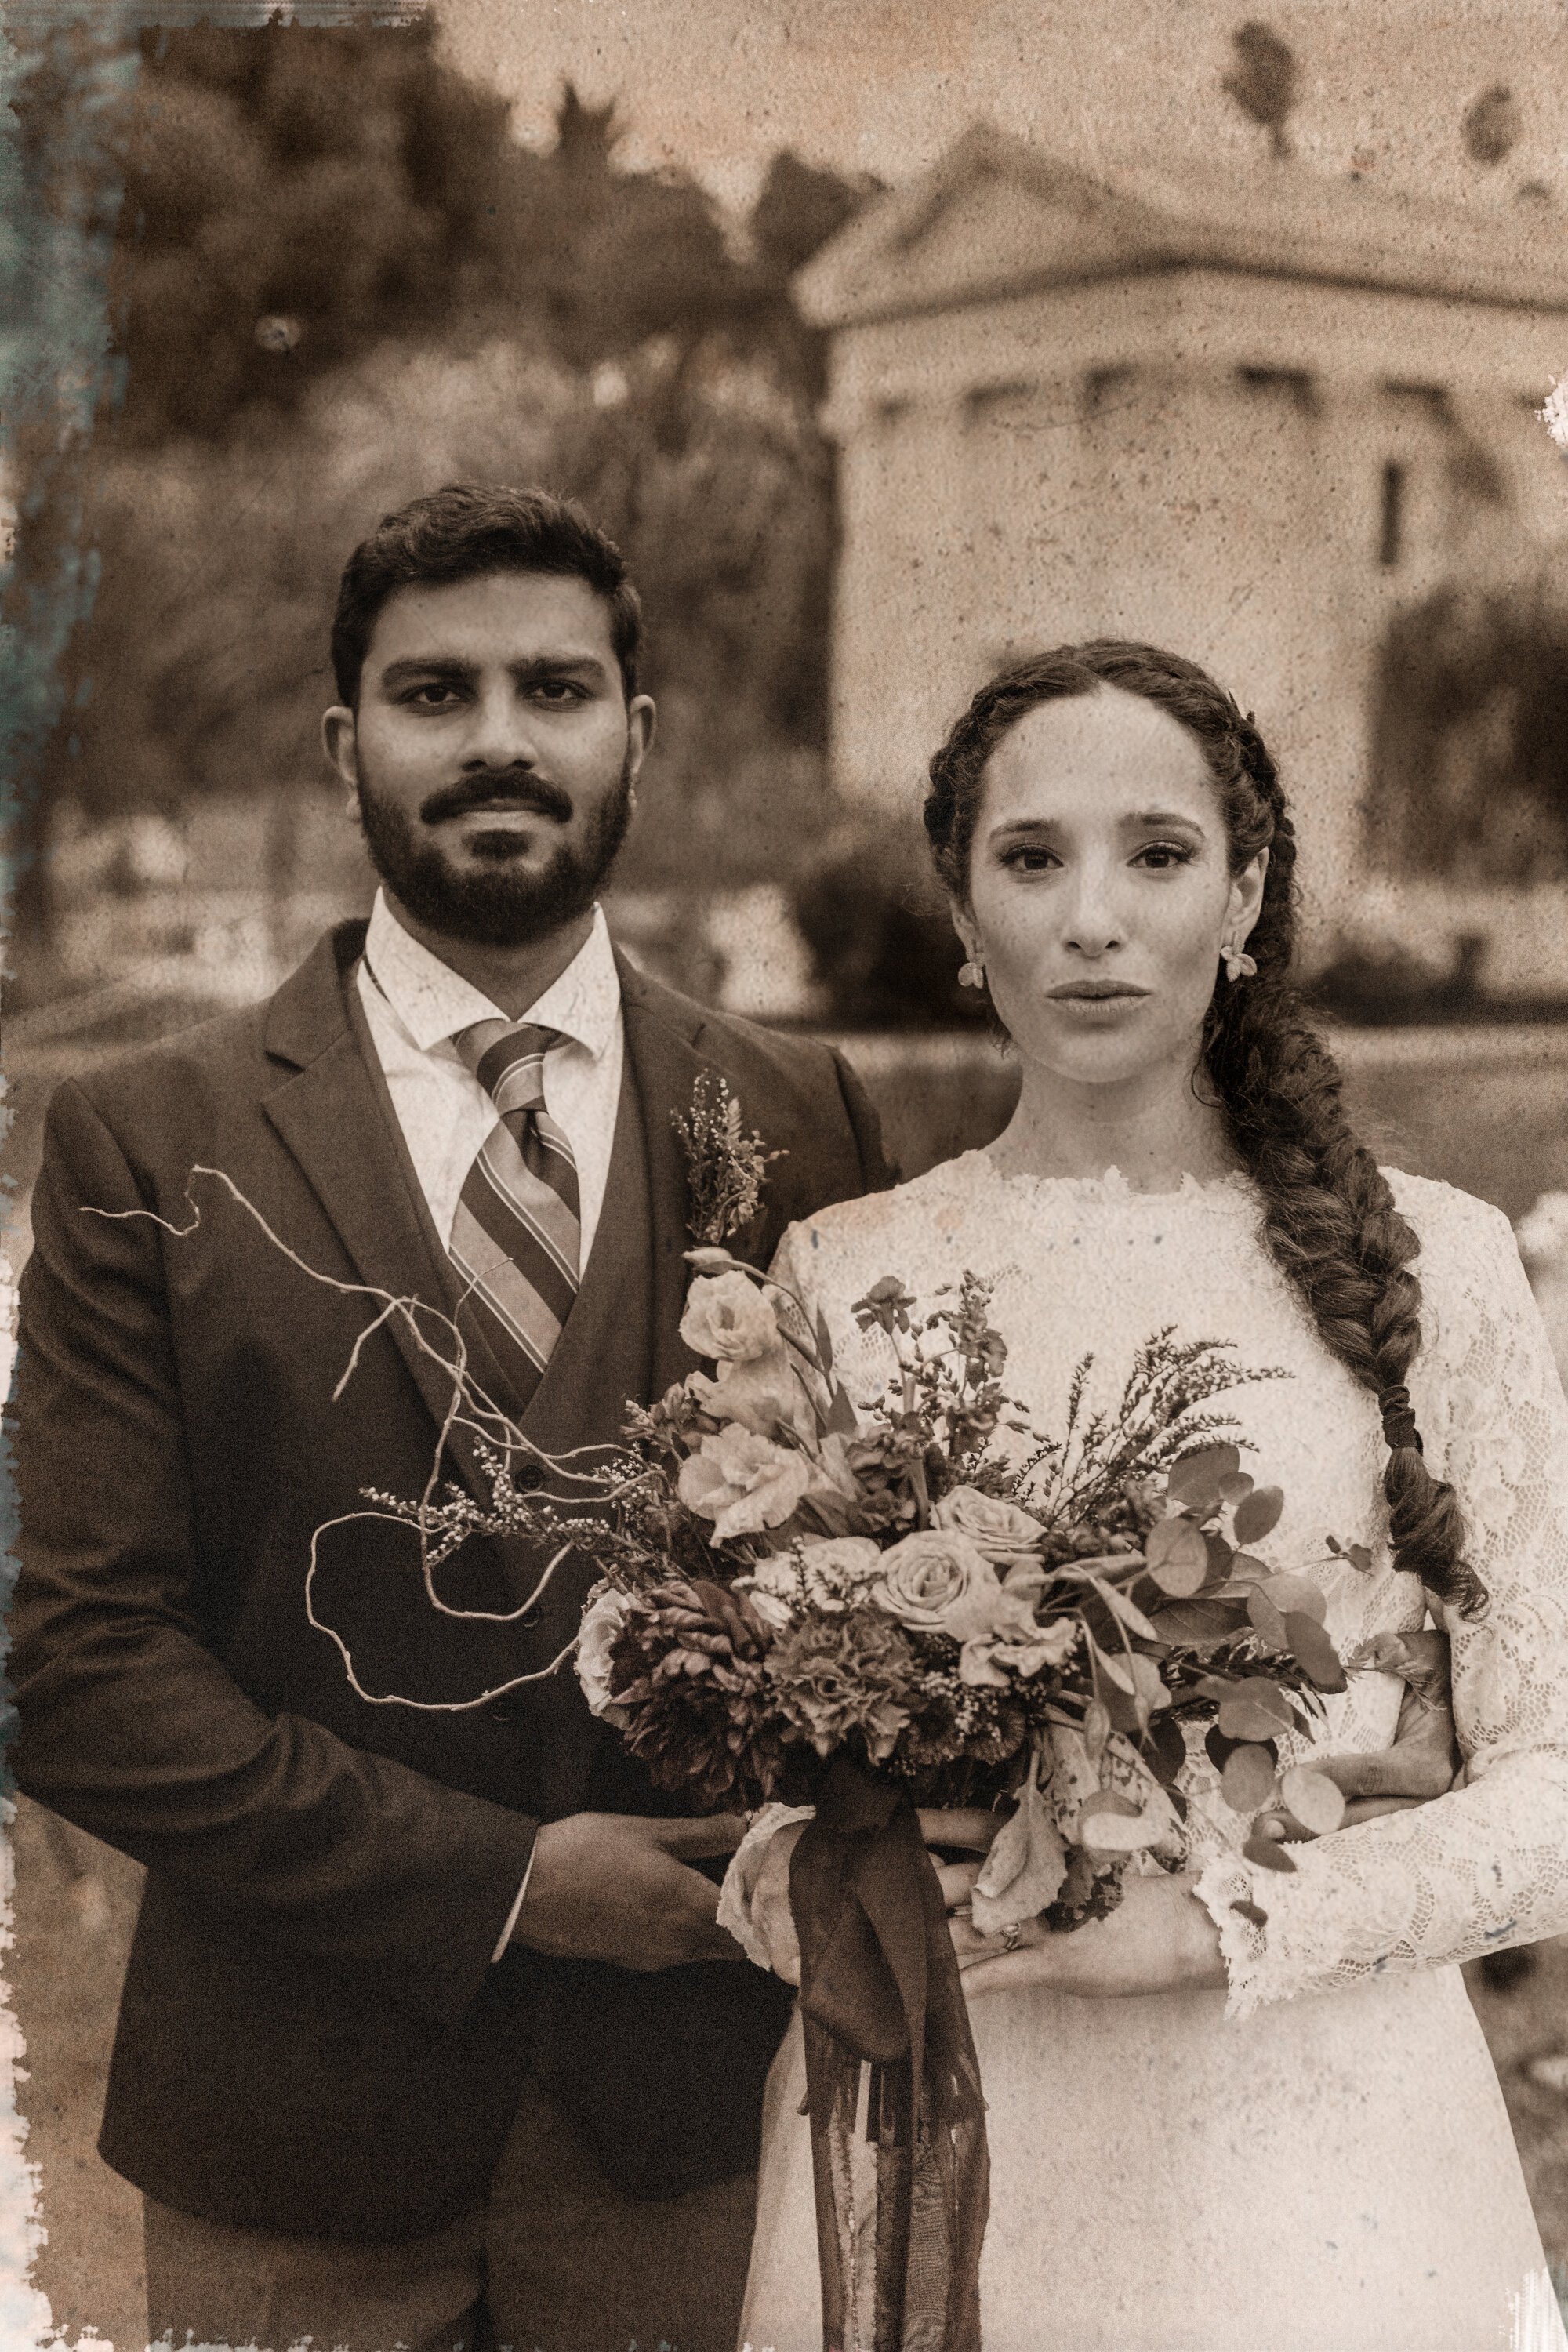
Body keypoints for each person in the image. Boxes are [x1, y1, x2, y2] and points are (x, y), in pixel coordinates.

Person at [8, 483, 892, 2352]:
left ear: (634, 737)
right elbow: (69, 1661)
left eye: (555, 688)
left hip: (694, 2129)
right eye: (435, 693)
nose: (499, 738)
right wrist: (501, 1885)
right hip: (289, 2135)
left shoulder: (806, 1121)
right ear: (348, 746)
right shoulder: (142, 1139)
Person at [731, 642, 1568, 2352]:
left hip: (1318, 2136)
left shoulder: (1446, 1269)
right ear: (961, 915)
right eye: (1030, 860)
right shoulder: (839, 1274)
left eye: (1158, 855)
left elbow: (1552, 1797)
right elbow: (785, 1740)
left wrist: (1207, 1927)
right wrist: (795, 1864)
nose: (1090, 918)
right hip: (946, 2082)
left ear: (1246, 891)